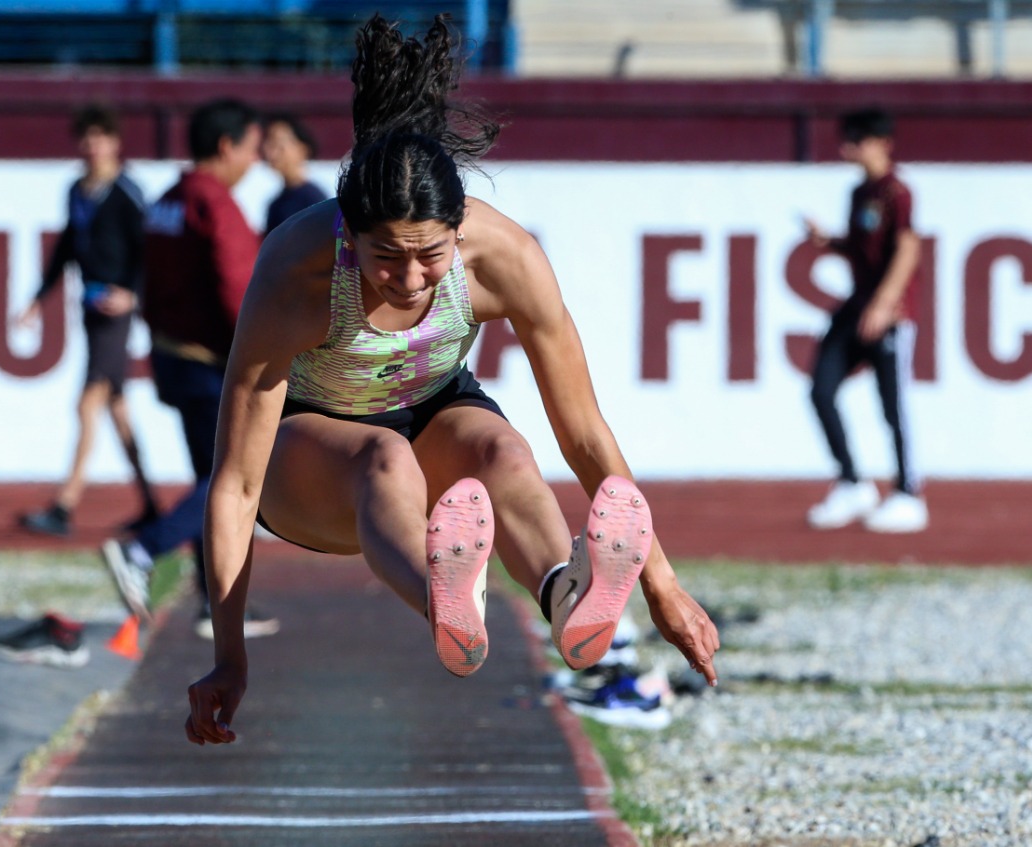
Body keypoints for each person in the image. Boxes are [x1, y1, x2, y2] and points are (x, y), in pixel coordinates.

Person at [182, 14, 720, 748]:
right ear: (349, 231)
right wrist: (229, 655)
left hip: (432, 417)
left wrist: (663, 585)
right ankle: (448, 605)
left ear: (459, 228)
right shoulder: (298, 271)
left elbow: (584, 432)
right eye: (385, 257)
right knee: (385, 459)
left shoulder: (504, 257)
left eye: (429, 255)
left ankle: (569, 597)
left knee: (503, 449)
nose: (408, 279)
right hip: (309, 464)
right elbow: (237, 482)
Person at [100, 98, 278, 639]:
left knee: (211, 477)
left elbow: (147, 282)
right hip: (211, 362)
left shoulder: (168, 201)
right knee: (233, 480)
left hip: (171, 356)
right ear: (226, 146)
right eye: (252, 149)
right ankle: (140, 548)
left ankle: (215, 604)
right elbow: (236, 287)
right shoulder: (213, 203)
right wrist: (259, 349)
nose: (255, 161)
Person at [17, 103, 159, 539]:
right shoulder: (78, 191)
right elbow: (66, 248)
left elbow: (150, 249)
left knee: (87, 404)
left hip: (116, 316)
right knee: (117, 413)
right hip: (89, 310)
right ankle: (152, 505)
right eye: (87, 137)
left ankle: (65, 504)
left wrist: (132, 295)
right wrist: (40, 298)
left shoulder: (128, 192)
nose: (92, 146)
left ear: (115, 141)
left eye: (100, 137)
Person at [803, 107, 927, 533]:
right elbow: (860, 248)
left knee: (892, 407)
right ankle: (853, 481)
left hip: (887, 315)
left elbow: (908, 249)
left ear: (877, 142)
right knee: (821, 390)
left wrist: (884, 303)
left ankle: (908, 492)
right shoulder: (860, 193)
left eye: (852, 140)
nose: (845, 149)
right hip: (855, 308)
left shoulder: (898, 193)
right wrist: (828, 242)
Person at [261, 112, 328, 235]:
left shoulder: (312, 199)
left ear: (302, 149)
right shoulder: (276, 203)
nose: (270, 152)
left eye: (278, 144)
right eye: (268, 143)